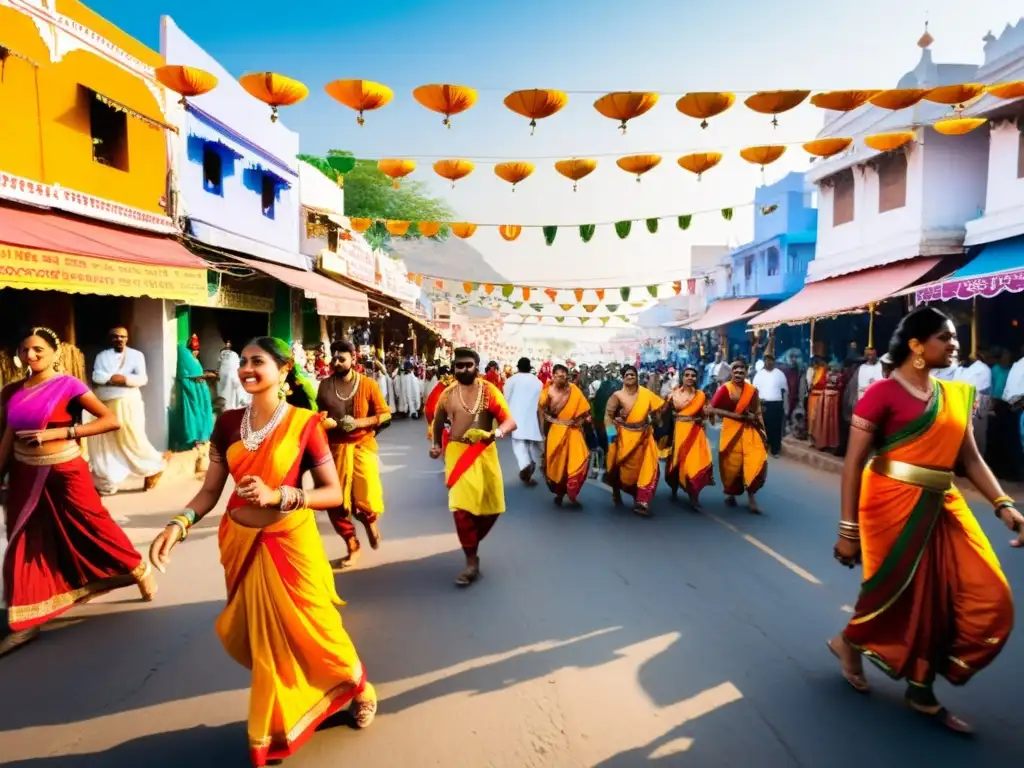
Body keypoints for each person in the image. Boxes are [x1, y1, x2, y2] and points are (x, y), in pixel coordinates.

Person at [148, 336, 376, 765]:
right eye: (244, 362)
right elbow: (210, 491)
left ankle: (359, 686)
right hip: (241, 544)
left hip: (291, 543)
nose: (248, 369)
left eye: (259, 362)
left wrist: (281, 496)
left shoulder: (305, 423)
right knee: (269, 642)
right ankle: (275, 724)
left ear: (283, 370)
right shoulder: (228, 423)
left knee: (318, 629)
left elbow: (330, 493)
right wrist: (177, 525)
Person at [829, 307, 1021, 733]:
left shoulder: (953, 395)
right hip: (889, 504)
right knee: (905, 597)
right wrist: (847, 531)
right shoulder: (880, 394)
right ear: (916, 345)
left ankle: (853, 641)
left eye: (954, 338)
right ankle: (916, 687)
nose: (955, 345)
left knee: (987, 595)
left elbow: (970, 459)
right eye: (946, 337)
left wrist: (1004, 505)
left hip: (944, 504)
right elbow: (853, 463)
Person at [1, 328, 156, 657]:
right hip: (24, 474)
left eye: (39, 350)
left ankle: (138, 570)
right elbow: (7, 437)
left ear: (55, 353)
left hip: (66, 471)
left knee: (94, 528)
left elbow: (110, 420)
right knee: (22, 542)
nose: (31, 356)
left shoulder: (68, 386)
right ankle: (26, 622)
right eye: (25, 350)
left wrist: (64, 432)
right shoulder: (12, 391)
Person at [429, 347, 516, 586]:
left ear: (476, 367)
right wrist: (436, 445)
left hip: (485, 452)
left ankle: (471, 541)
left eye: (468, 365)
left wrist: (495, 433)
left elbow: (510, 421)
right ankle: (471, 560)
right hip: (457, 454)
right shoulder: (447, 394)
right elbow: (437, 422)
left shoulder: (489, 391)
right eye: (459, 365)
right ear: (454, 367)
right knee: (461, 508)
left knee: (492, 507)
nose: (463, 369)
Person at [317, 339, 391, 570]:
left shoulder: (368, 385)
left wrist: (359, 423)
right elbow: (319, 413)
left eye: (342, 358)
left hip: (362, 446)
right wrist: (322, 420)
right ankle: (352, 545)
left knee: (365, 500)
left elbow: (386, 415)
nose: (337, 362)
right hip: (335, 449)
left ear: (353, 359)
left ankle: (370, 523)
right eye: (334, 358)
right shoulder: (324, 385)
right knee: (336, 502)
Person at [88, 326, 165, 495]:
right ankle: (107, 481)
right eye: (115, 337)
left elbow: (142, 378)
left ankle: (153, 467)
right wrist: (111, 378)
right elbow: (96, 376)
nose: (119, 339)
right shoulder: (102, 356)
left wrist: (124, 379)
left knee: (132, 438)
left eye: (123, 336)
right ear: (110, 339)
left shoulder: (136, 355)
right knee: (104, 443)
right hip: (105, 402)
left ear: (127, 338)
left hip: (128, 402)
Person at [604, 364, 666, 517]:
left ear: (637, 377)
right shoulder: (617, 395)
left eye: (633, 375)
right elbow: (608, 416)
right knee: (620, 469)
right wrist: (611, 433)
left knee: (649, 467)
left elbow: (659, 409)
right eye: (627, 375)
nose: (630, 377)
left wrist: (659, 424)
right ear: (623, 378)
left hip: (644, 436)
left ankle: (642, 501)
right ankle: (616, 491)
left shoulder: (646, 394)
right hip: (624, 437)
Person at [709, 360, 768, 513]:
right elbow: (711, 408)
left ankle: (751, 498)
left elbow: (757, 412)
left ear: (746, 372)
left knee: (754, 461)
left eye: (742, 370)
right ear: (732, 372)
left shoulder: (752, 390)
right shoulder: (724, 389)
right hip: (731, 430)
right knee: (732, 465)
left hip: (749, 429)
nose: (739, 372)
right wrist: (734, 415)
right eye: (736, 369)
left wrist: (763, 432)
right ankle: (731, 494)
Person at [539, 364, 591, 507]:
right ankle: (560, 493)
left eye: (564, 375)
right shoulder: (546, 392)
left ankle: (573, 493)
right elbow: (541, 412)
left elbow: (584, 411)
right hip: (556, 430)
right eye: (558, 375)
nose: (562, 377)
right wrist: (544, 431)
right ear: (553, 376)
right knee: (558, 464)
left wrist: (580, 421)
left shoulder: (574, 390)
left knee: (580, 460)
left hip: (573, 431)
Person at [665, 365, 714, 508]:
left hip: (695, 432)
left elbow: (705, 414)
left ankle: (694, 496)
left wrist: (708, 412)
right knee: (677, 463)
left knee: (695, 464)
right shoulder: (674, 394)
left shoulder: (701, 395)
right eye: (687, 375)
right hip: (678, 432)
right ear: (683, 377)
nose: (690, 378)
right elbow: (664, 411)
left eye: (693, 375)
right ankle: (674, 488)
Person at [169, 344, 215, 464]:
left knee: (203, 413)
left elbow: (197, 374)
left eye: (197, 350)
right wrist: (205, 376)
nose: (196, 352)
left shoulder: (195, 361)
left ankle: (201, 439)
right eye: (193, 350)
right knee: (193, 415)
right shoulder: (185, 360)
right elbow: (190, 375)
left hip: (200, 393)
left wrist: (204, 375)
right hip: (192, 394)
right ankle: (194, 440)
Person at [503, 357, 544, 486]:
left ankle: (526, 466)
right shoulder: (538, 382)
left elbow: (505, 399)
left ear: (518, 367)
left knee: (519, 444)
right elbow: (540, 401)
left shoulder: (511, 381)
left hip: (515, 417)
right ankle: (536, 461)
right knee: (531, 443)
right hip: (532, 417)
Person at [752, 353, 787, 457]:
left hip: (776, 403)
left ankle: (775, 450)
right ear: (764, 361)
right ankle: (762, 448)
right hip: (763, 404)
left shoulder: (780, 374)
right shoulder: (759, 374)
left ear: (774, 361)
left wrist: (785, 405)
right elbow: (754, 391)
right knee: (763, 427)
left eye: (771, 360)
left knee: (775, 428)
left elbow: (784, 390)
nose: (769, 362)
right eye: (767, 360)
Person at [217, 341, 251, 411]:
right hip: (224, 375)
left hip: (232, 375)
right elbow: (219, 363)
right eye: (226, 342)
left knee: (234, 392)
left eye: (229, 343)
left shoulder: (234, 354)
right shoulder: (222, 353)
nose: (227, 344)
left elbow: (236, 365)